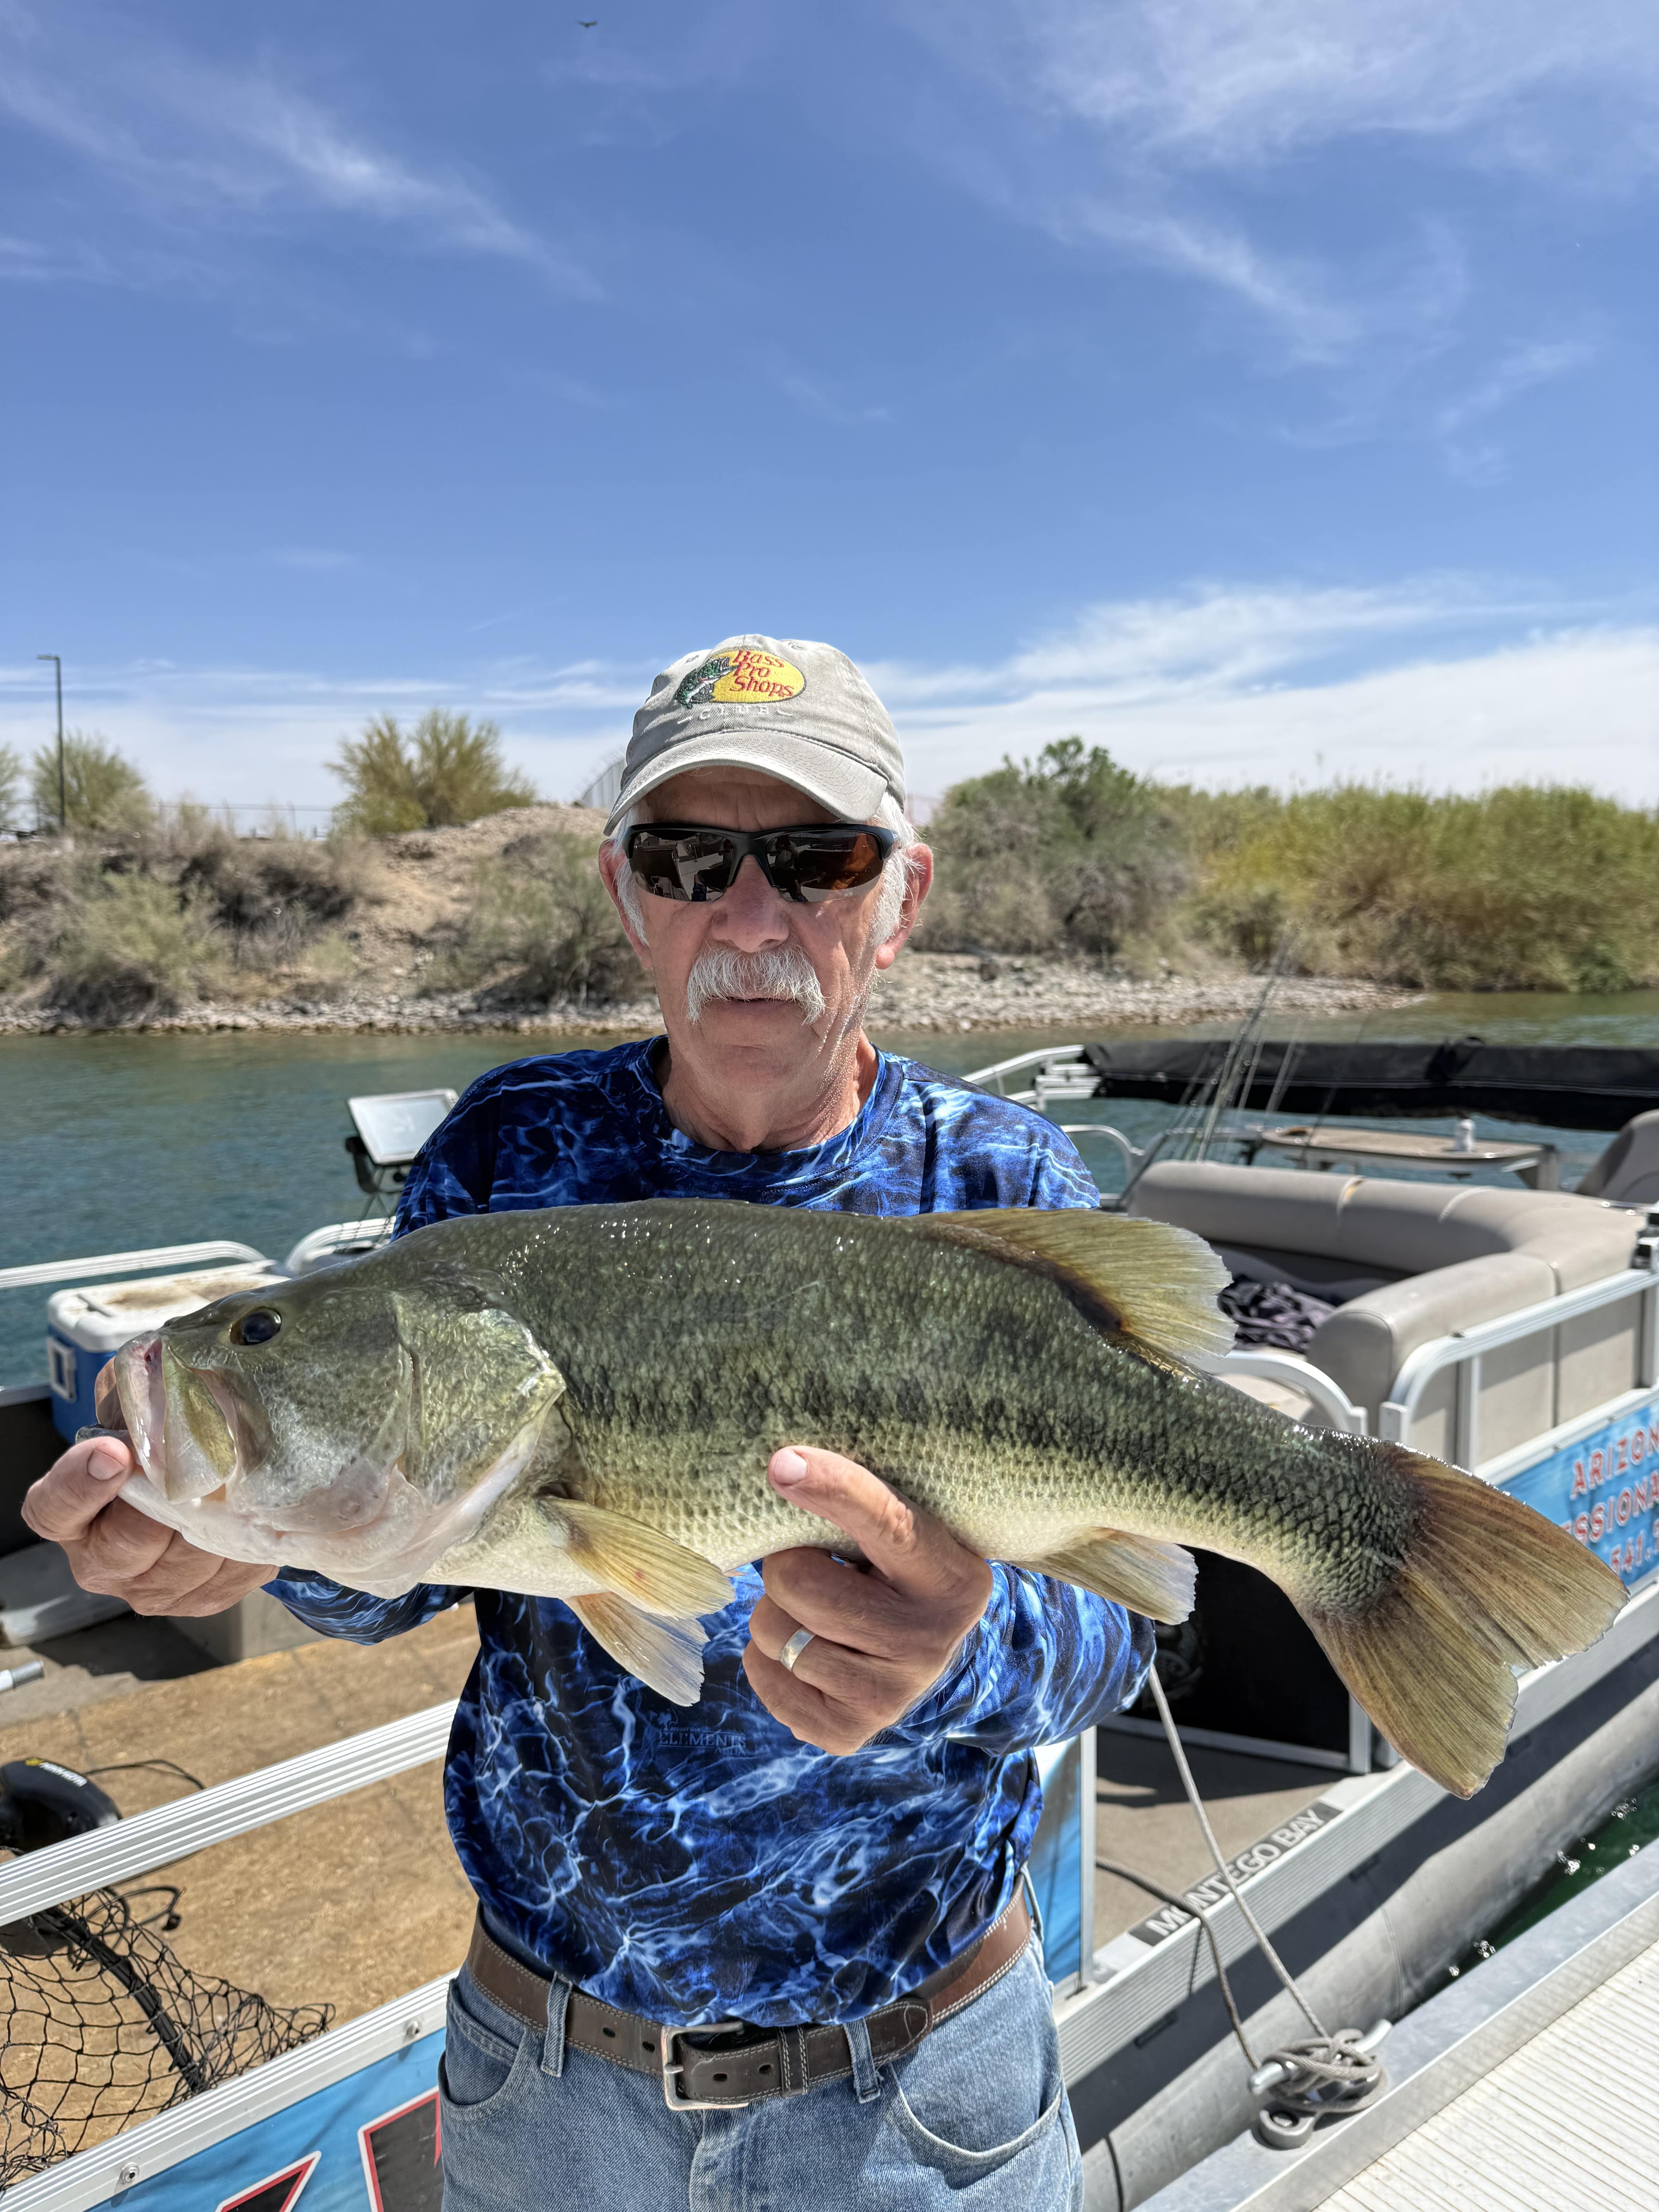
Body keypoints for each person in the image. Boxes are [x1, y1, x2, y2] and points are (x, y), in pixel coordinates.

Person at [26, 635, 1153, 2211]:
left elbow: (1131, 1629)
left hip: (921, 2096)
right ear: (627, 894)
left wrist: (966, 1643)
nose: (751, 918)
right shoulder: (506, 1154)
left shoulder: (1005, 1186)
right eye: (691, 861)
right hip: (551, 2090)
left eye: (816, 859)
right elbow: (407, 1570)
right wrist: (247, 1552)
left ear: (901, 897)